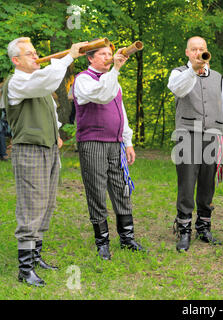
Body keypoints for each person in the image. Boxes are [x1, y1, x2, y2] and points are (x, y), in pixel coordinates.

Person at [1, 37, 86, 287]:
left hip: (48, 149)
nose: (36, 56)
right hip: (29, 151)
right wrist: (69, 56)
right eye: (30, 54)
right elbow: (45, 82)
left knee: (46, 203)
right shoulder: (17, 81)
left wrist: (56, 133)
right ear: (16, 60)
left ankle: (36, 255)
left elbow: (48, 109)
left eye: (35, 52)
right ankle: (24, 268)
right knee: (31, 206)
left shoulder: (35, 82)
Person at [168, 36, 223, 252]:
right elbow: (178, 90)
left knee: (207, 182)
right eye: (193, 49)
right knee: (187, 183)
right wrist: (193, 70)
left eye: (201, 49)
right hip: (187, 135)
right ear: (187, 52)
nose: (197, 52)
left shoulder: (218, 77)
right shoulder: (178, 73)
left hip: (212, 135)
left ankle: (204, 225)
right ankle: (184, 229)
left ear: (207, 50)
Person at [73, 42, 144, 260]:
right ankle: (102, 241)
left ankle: (127, 236)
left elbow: (120, 112)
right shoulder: (83, 79)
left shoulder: (115, 80)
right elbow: (102, 95)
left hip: (115, 143)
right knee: (96, 188)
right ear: (90, 58)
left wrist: (127, 140)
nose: (108, 57)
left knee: (121, 186)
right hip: (92, 141)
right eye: (103, 54)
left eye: (110, 54)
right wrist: (115, 70)